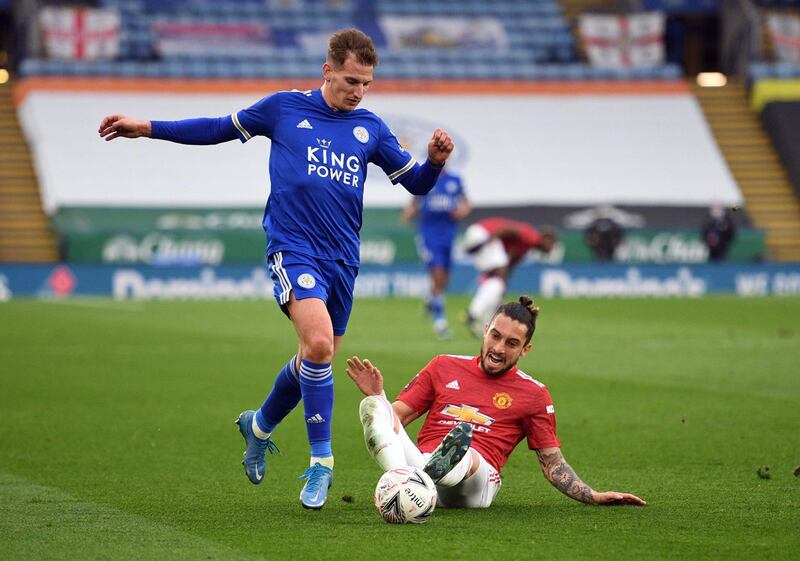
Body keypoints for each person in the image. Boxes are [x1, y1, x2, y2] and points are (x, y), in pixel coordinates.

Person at [98, 28, 454, 510]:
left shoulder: (370, 127)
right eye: (351, 79)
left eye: (367, 83)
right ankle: (322, 463)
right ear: (327, 70)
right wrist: (148, 127)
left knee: (313, 356)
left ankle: (259, 426)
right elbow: (216, 127)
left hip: (343, 260)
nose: (359, 91)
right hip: (293, 249)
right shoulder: (283, 108)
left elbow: (415, 184)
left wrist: (432, 163)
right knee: (322, 345)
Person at [346, 296, 646, 508]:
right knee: (372, 407)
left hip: (478, 480)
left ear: (525, 349)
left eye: (512, 343)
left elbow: (552, 464)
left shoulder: (534, 394)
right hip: (422, 463)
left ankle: (421, 474)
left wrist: (592, 495)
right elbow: (394, 420)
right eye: (495, 336)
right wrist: (380, 398)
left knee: (465, 453)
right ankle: (404, 478)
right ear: (486, 329)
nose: (499, 348)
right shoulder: (443, 365)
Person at [401, 169, 470, 339]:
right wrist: (408, 215)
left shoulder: (455, 180)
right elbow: (414, 203)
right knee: (437, 272)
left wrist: (461, 211)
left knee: (444, 277)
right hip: (429, 236)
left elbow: (465, 203)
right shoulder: (426, 177)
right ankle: (440, 321)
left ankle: (431, 299)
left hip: (449, 235)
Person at [462, 217, 556, 337]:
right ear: (545, 238)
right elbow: (506, 229)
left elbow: (507, 268)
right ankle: (473, 313)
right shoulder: (532, 236)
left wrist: (503, 288)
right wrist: (490, 240)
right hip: (484, 233)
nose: (551, 248)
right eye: (552, 243)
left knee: (497, 284)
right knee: (498, 279)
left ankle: (485, 323)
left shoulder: (524, 249)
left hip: (478, 234)